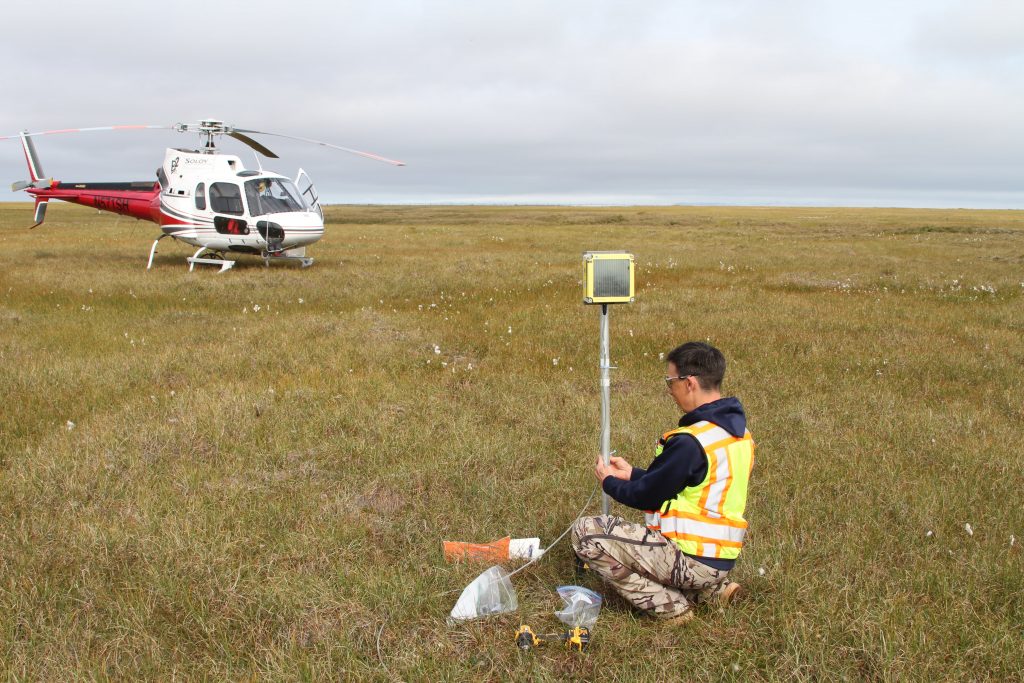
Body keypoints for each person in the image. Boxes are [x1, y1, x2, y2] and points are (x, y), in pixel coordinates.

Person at [571, 341, 754, 624]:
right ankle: (711, 592)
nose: (669, 389)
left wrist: (609, 482)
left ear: (689, 382)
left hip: (690, 559)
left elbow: (648, 496)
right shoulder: (736, 435)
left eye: (670, 381)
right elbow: (685, 487)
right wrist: (632, 474)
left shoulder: (691, 442)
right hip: (720, 558)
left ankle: (670, 606)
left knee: (586, 534)